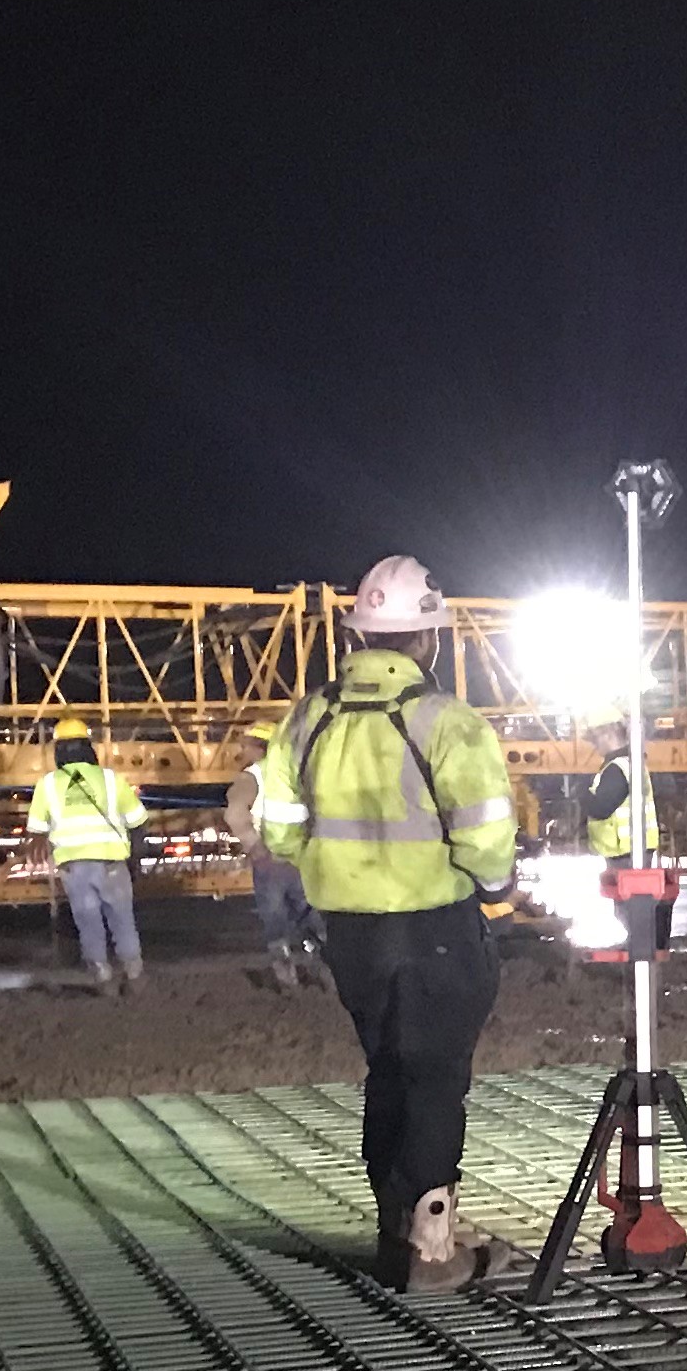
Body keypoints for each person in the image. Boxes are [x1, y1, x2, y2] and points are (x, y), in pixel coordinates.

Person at [253, 554, 520, 1294]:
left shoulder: (308, 717)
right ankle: (432, 1251)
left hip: (352, 935)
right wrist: (498, 889)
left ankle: (394, 1230)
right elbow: (488, 840)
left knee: (390, 1074)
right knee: (436, 1079)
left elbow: (277, 833)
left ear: (356, 636)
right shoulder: (446, 720)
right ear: (428, 639)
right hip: (435, 926)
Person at [33, 719, 148, 989]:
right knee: (122, 920)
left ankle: (102, 978)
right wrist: (134, 860)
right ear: (88, 747)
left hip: (74, 870)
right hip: (111, 864)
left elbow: (37, 831)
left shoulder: (47, 785)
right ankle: (134, 976)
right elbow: (138, 821)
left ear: (58, 749)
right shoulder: (111, 779)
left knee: (89, 924)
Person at [225, 747, 321, 986]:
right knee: (312, 917)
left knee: (276, 923)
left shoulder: (254, 776)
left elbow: (234, 815)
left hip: (270, 863)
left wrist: (255, 847)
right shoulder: (304, 770)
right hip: (302, 860)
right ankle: (324, 969)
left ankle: (287, 979)